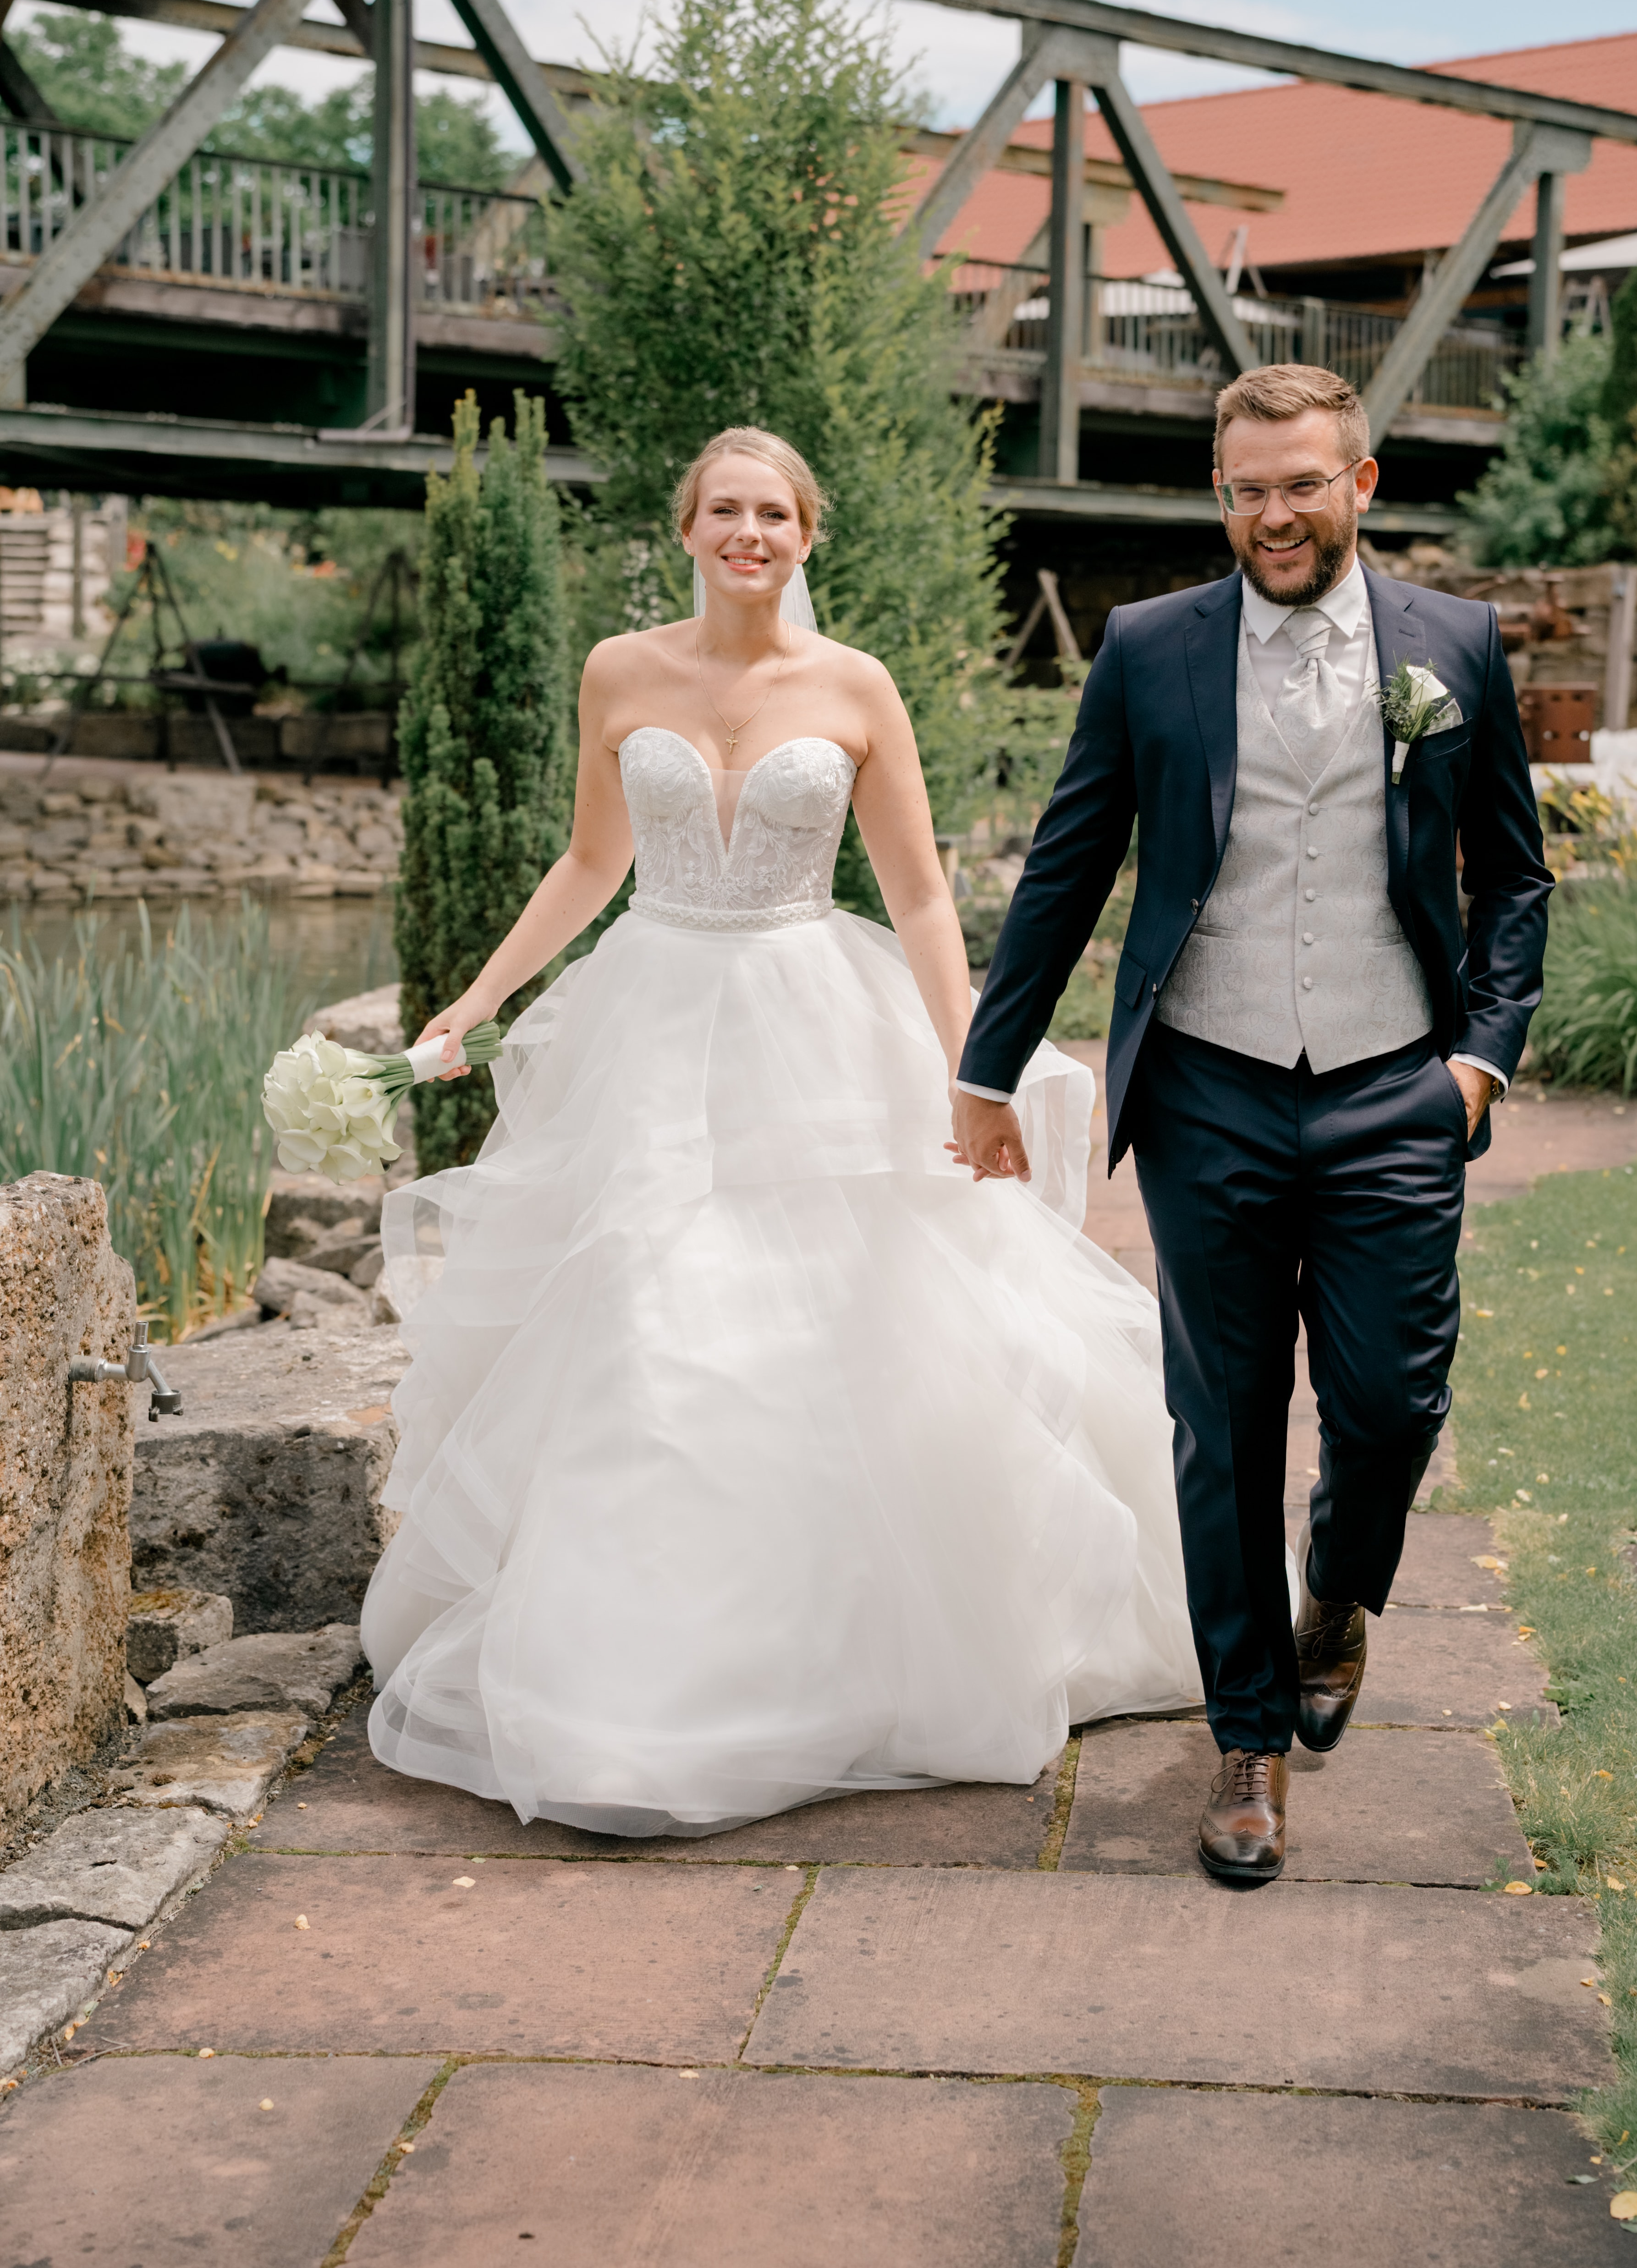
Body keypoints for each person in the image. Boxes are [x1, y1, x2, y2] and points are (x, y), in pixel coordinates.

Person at [361, 425, 1204, 1836]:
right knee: (648, 1325)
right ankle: (630, 1690)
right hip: (653, 1026)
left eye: (774, 515)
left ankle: (857, 1650)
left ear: (806, 537)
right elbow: (591, 862)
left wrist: (974, 1069)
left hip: (818, 1027)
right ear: (686, 528)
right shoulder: (621, 672)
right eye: (724, 511)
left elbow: (924, 898)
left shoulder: (855, 687)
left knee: (851, 1328)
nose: (749, 533)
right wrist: (479, 997)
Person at [950, 364, 1551, 1883]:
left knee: (1393, 1405)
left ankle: (1338, 1596)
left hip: (1392, 1085)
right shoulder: (1151, 647)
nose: (1271, 516)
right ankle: (1247, 1741)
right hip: (1209, 1084)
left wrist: (1476, 1065)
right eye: (1244, 489)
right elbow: (1070, 865)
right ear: (1218, 493)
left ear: (1361, 482)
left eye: (1299, 484)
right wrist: (986, 1068)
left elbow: (1515, 876)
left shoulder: (1454, 647)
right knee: (1222, 1430)